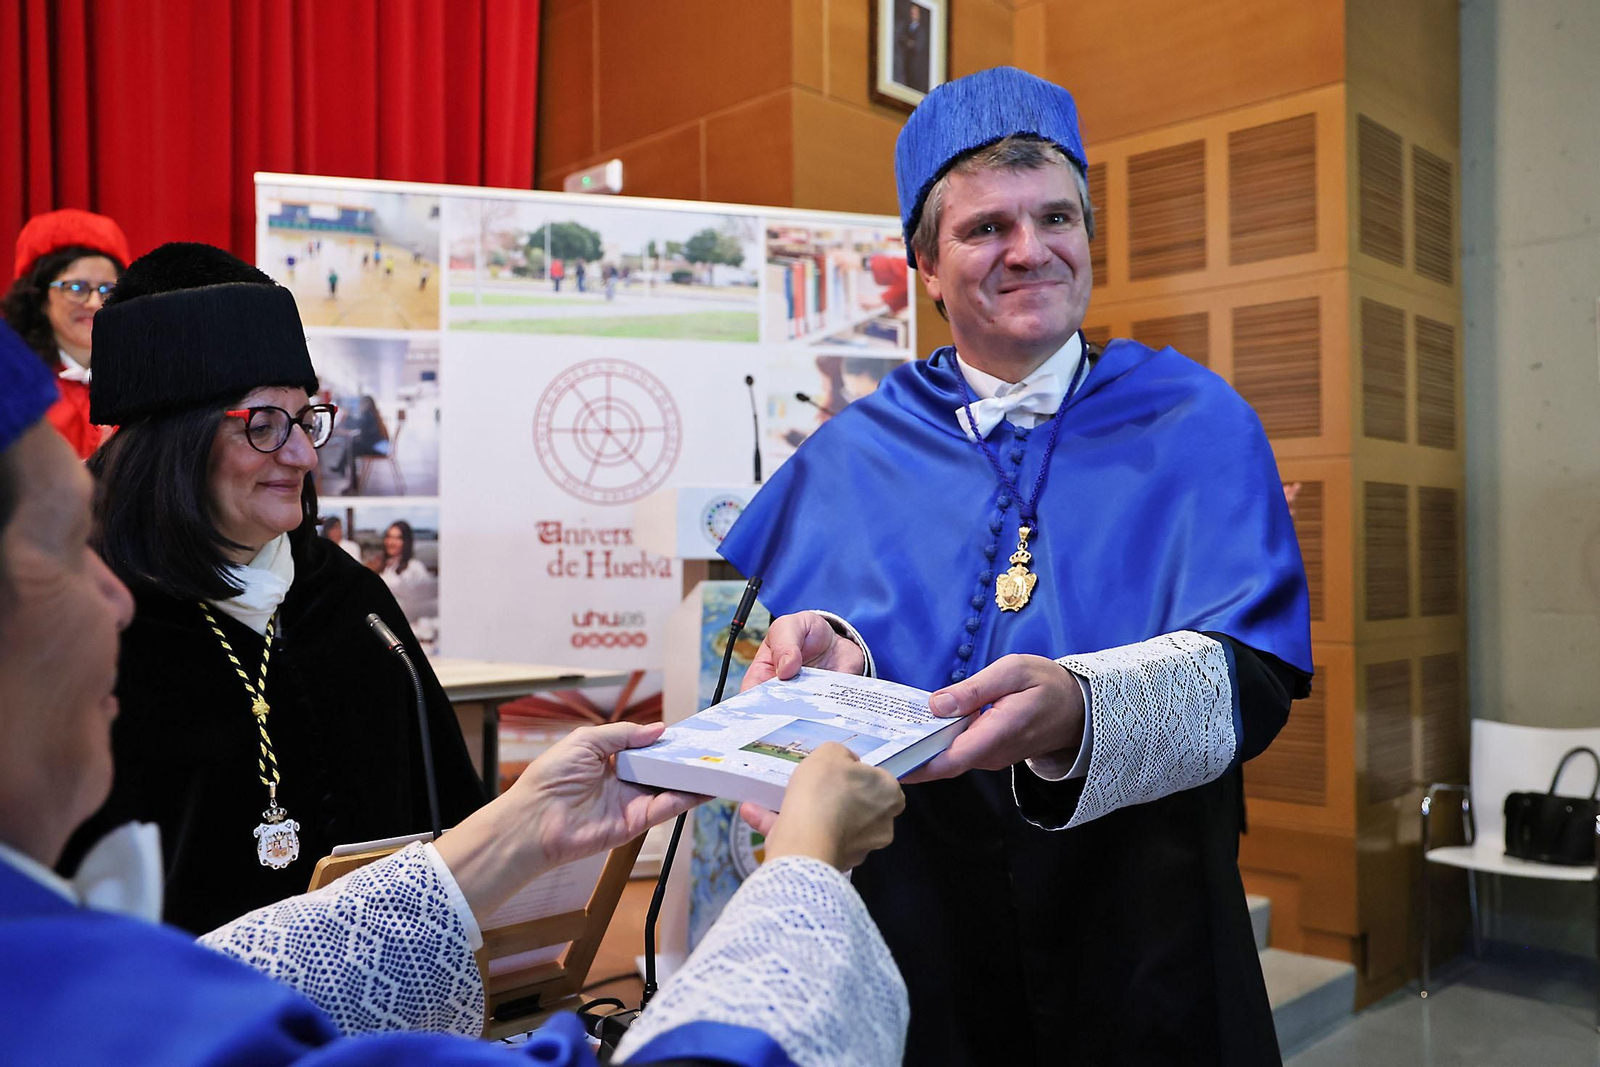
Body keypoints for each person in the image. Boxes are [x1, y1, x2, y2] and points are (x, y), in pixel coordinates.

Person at [0, 317, 911, 1065]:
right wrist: (804, 869)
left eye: (302, 420)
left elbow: (221, 974)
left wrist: (515, 833)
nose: (113, 596)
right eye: (65, 543)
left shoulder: (344, 600)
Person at [721, 66, 1313, 1066]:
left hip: (1144, 923)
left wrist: (1082, 709)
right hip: (922, 927)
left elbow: (1252, 685)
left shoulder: (1196, 419)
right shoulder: (855, 448)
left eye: (1056, 217)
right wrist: (833, 648)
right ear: (925, 262)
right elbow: (854, 634)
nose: (1030, 250)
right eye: (987, 227)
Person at [59, 243, 486, 935]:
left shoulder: (347, 603)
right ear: (174, 437)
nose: (305, 456)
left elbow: (445, 828)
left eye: (306, 418)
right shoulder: (76, 612)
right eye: (263, 424)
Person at [1, 208, 131, 459]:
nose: (95, 302)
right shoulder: (11, 386)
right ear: (37, 295)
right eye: (76, 287)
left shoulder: (141, 379)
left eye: (108, 289)